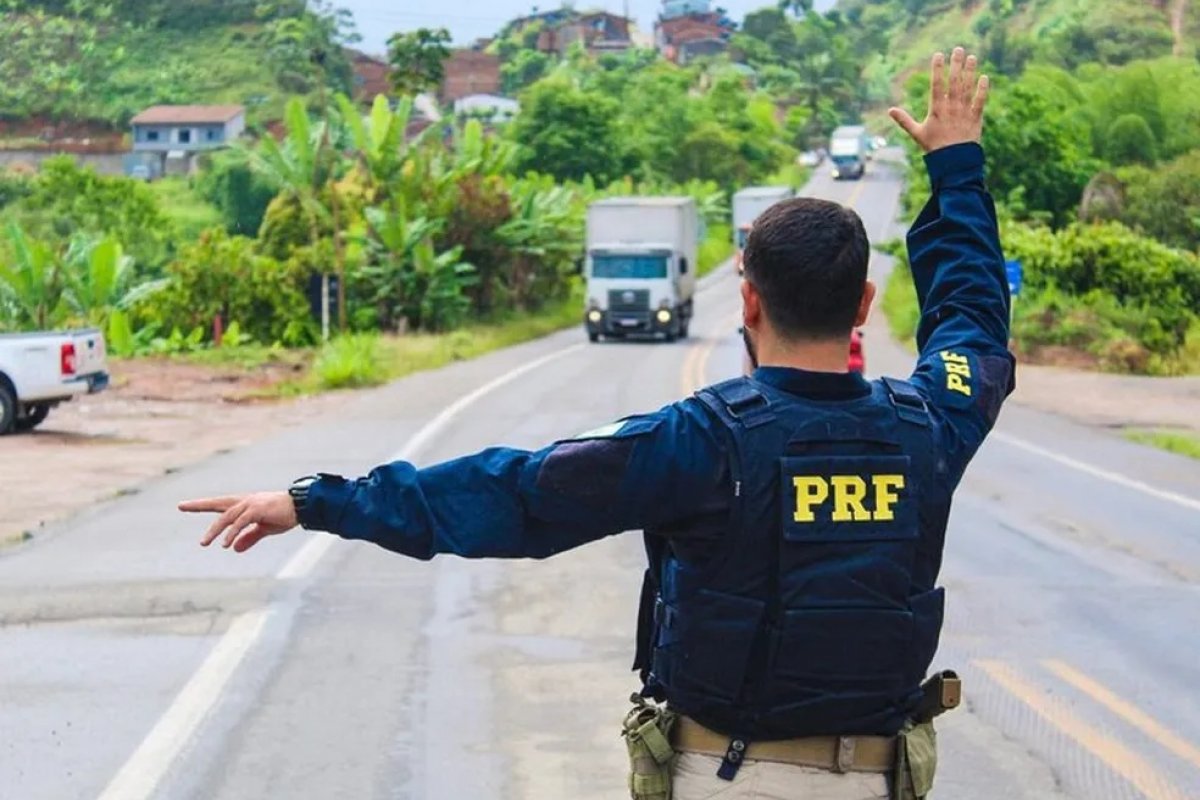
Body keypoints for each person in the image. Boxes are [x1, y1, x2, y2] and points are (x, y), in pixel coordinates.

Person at [181, 47, 1014, 800]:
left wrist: (318, 500)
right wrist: (955, 167)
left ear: (748, 300)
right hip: (876, 781)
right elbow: (973, 318)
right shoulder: (929, 426)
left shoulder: (703, 439)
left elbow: (511, 494)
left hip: (722, 777)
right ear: (865, 303)